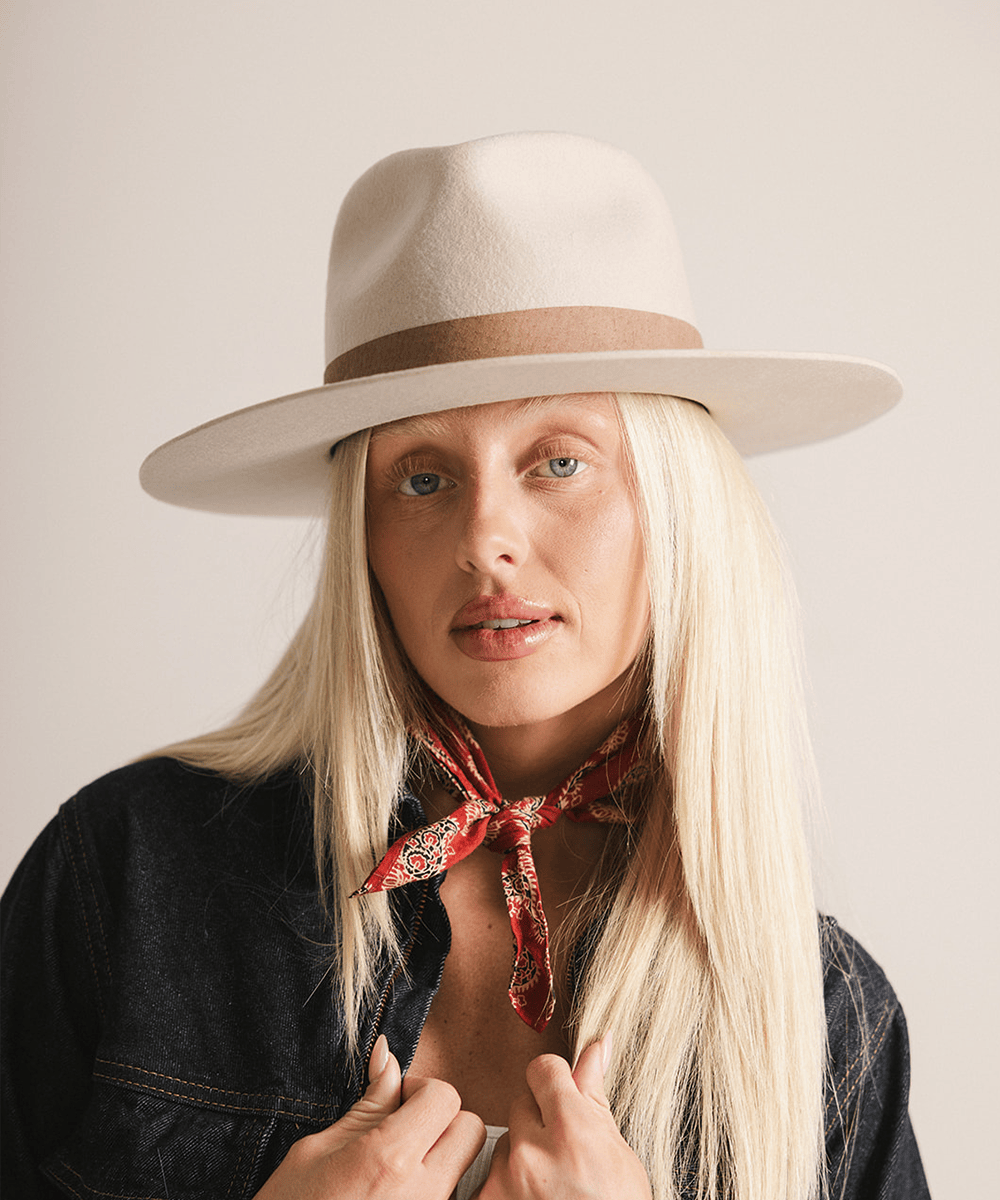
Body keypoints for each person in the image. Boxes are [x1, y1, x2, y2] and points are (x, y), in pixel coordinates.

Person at [1, 132, 931, 1200]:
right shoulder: (128, 876)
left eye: (560, 461)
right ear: (364, 542)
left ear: (678, 514)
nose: (485, 536)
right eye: (422, 479)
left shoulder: (821, 1018)